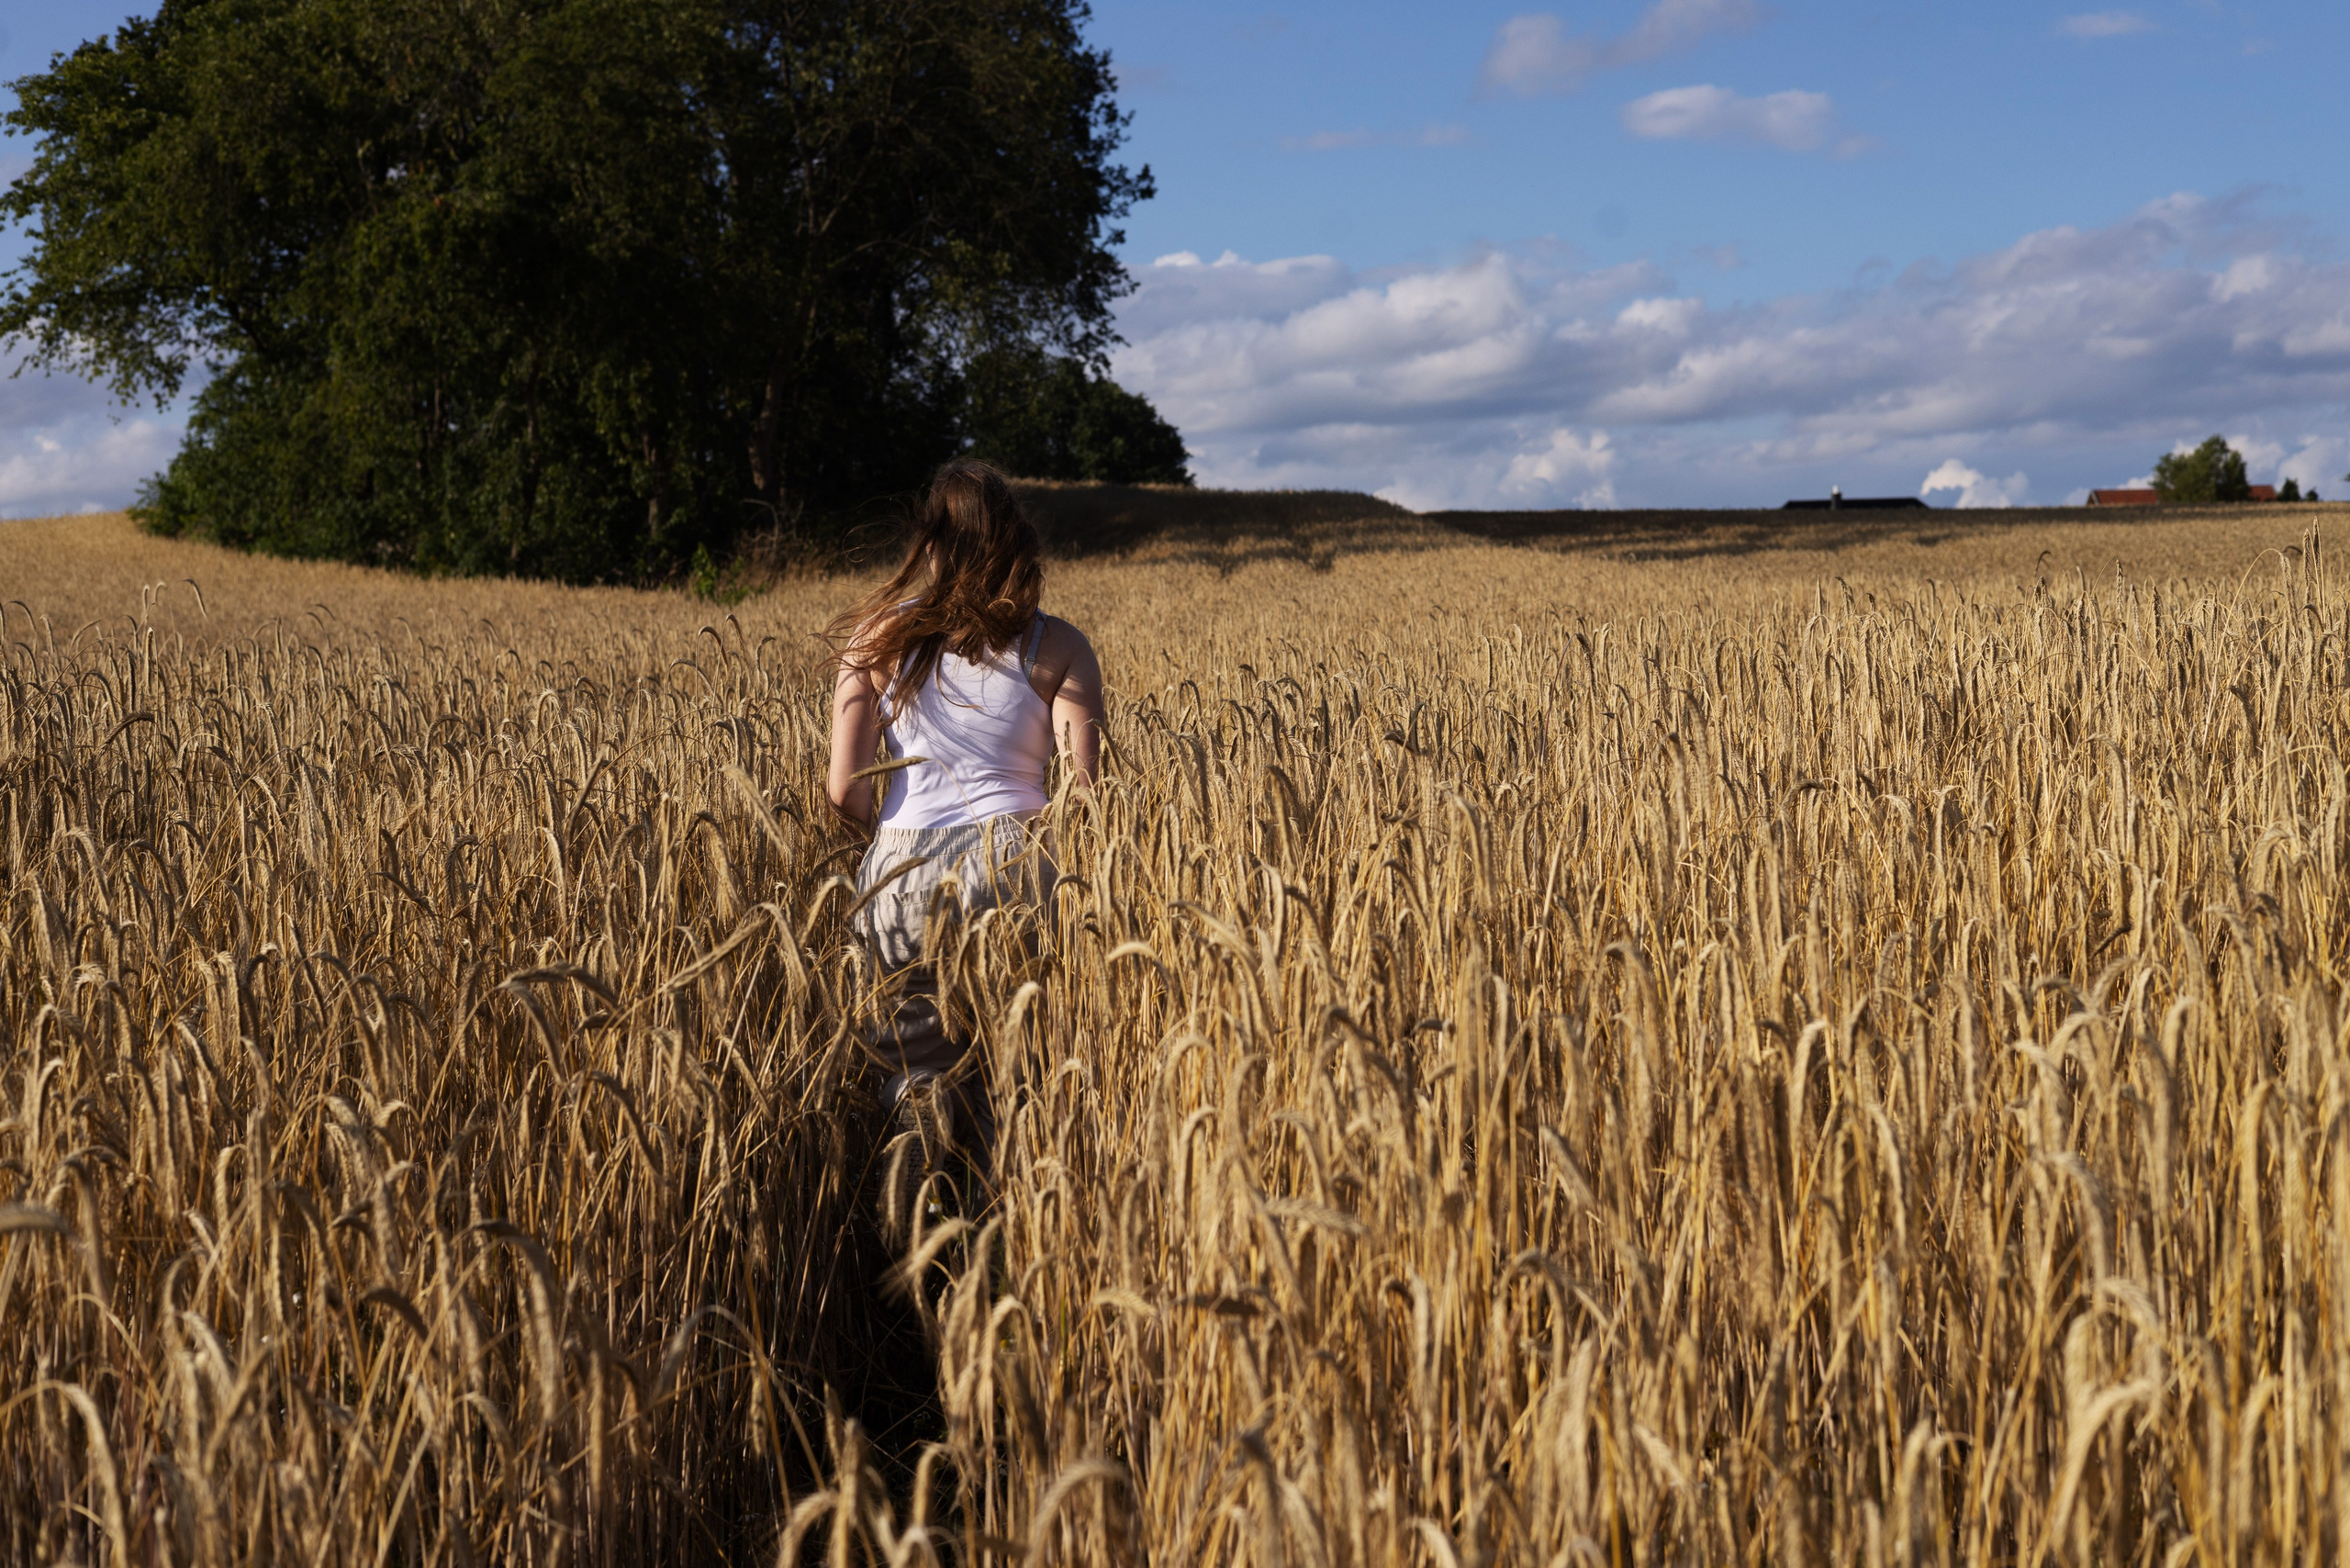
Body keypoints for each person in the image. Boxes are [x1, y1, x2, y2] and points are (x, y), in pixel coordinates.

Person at [824, 461, 1103, 1176]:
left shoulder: (876, 638)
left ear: (932, 543)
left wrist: (887, 844)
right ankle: (1004, 1226)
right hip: (1018, 864)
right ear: (1013, 538)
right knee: (1015, 1071)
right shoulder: (1058, 643)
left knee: (914, 1075)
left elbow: (844, 792)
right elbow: (1085, 794)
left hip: (902, 866)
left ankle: (919, 1220)